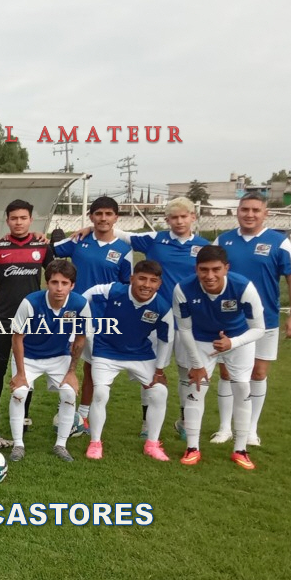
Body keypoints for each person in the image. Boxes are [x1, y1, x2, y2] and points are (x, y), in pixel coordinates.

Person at [74, 196, 209, 439]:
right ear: (167, 219)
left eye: (184, 216)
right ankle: (147, 423)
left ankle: (185, 420)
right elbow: (120, 234)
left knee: (186, 371)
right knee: (152, 372)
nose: (179, 221)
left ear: (193, 217)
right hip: (153, 318)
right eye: (174, 217)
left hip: (189, 319)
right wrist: (90, 228)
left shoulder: (204, 246)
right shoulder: (155, 239)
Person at [211, 193, 291, 446]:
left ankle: (251, 430)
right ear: (237, 211)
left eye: (255, 210)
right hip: (229, 321)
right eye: (245, 209)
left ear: (266, 213)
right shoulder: (223, 241)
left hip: (265, 321)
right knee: (227, 373)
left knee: (258, 373)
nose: (249, 214)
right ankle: (224, 428)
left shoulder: (279, 242)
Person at [172, 246, 265, 470]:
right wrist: (197, 365)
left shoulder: (243, 287)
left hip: (238, 339)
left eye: (216, 269)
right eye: (204, 270)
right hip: (201, 340)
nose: (210, 275)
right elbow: (184, 329)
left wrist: (233, 342)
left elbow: (259, 329)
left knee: (242, 387)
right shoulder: (182, 289)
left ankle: (240, 450)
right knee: (196, 388)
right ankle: (192, 448)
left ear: (226, 268)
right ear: (196, 269)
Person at [53, 196, 133, 435]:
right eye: (98, 214)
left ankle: (84, 415)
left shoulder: (124, 250)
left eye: (108, 214)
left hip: (102, 319)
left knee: (92, 367)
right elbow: (51, 248)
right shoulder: (79, 240)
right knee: (64, 361)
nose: (103, 218)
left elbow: (126, 287)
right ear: (91, 216)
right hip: (71, 314)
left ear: (116, 217)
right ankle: (64, 409)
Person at [0, 199, 54, 435]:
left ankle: (24, 416)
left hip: (32, 319)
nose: (18, 222)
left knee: (25, 368)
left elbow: (56, 276)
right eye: (14, 218)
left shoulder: (42, 247)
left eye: (23, 218)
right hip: (2, 316)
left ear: (31, 219)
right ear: (7, 220)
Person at [82, 260, 174, 461]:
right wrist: (81, 318)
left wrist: (159, 370)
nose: (146, 285)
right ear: (132, 279)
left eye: (153, 281)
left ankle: (152, 444)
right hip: (106, 351)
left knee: (160, 393)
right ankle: (95, 443)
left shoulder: (162, 307)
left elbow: (166, 340)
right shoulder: (113, 291)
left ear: (159, 284)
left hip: (140, 354)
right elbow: (85, 296)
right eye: (142, 279)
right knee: (100, 393)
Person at [7, 260, 91, 462]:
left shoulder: (80, 304)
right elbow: (17, 338)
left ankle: (61, 445)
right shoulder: (30, 302)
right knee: (19, 393)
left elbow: (80, 339)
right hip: (28, 356)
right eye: (54, 282)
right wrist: (20, 374)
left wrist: (72, 372)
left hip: (59, 356)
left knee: (69, 392)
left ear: (72, 285)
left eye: (64, 283)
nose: (59, 288)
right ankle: (18, 445)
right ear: (47, 283)